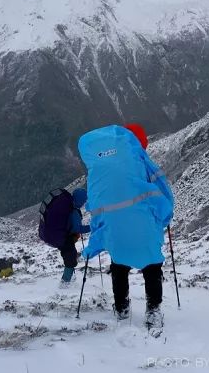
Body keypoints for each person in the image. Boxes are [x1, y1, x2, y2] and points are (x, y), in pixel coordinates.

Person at [78, 123, 174, 331]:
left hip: (116, 229)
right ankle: (153, 310)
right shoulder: (143, 165)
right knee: (152, 266)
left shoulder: (100, 170)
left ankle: (121, 308)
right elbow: (163, 194)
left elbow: (94, 202)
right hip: (144, 227)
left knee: (119, 266)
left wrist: (100, 227)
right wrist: (164, 217)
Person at [59, 188, 91, 287]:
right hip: (66, 239)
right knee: (71, 260)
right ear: (80, 200)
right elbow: (77, 228)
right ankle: (65, 283)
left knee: (70, 256)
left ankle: (69, 279)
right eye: (84, 200)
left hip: (62, 237)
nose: (84, 202)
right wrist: (92, 227)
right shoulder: (74, 212)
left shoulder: (69, 208)